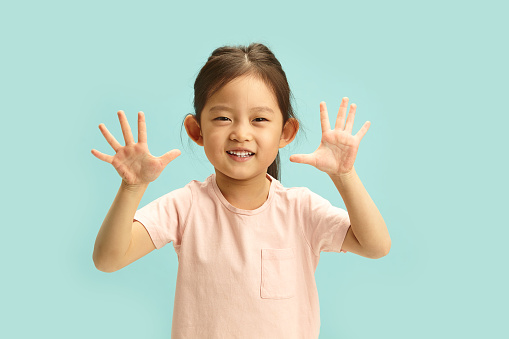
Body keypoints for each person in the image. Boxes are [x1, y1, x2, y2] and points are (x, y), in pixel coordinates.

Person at [91, 42, 390, 338]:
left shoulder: (301, 210)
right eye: (223, 118)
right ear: (197, 131)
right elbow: (108, 259)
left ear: (285, 133)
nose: (240, 133)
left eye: (259, 119)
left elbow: (376, 245)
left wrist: (345, 175)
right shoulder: (186, 206)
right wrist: (133, 187)